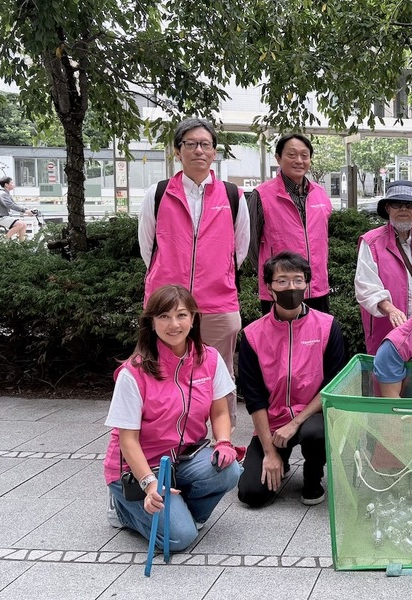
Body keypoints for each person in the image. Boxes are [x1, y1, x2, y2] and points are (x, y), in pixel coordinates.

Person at [103, 285, 241, 552]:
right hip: (139, 468)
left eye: (181, 315)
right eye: (164, 316)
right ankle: (123, 508)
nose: (174, 324)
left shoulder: (209, 358)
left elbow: (220, 411)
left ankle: (180, 511)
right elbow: (127, 440)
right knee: (179, 538)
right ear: (151, 323)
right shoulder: (134, 372)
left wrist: (223, 441)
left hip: (185, 458)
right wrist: (149, 483)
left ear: (193, 319)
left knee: (229, 469)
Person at [139, 117, 250, 425]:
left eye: (205, 144)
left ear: (214, 152)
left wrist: (219, 275)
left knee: (220, 373)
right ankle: (168, 437)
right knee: (162, 370)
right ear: (178, 151)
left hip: (218, 302)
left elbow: (239, 250)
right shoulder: (158, 194)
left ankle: (223, 443)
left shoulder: (232, 196)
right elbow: (148, 248)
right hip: (167, 304)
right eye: (190, 144)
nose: (198, 150)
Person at [237, 252, 347, 507]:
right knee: (251, 495)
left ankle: (313, 475)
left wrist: (295, 422)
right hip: (273, 422)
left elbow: (332, 383)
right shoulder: (253, 335)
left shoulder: (328, 327)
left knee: (316, 432)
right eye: (282, 281)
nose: (291, 287)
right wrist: (268, 452)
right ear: (269, 287)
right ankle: (280, 459)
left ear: (307, 284)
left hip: (311, 416)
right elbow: (254, 398)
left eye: (298, 280)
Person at [356, 181, 412, 354]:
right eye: (397, 204)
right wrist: (391, 310)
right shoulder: (371, 242)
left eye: (410, 205)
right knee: (388, 377)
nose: (403, 209)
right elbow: (366, 288)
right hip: (388, 330)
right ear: (388, 208)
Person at [247, 133, 333, 314]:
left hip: (317, 287)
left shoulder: (320, 194)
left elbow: (323, 239)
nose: (299, 160)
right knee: (279, 340)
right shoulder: (262, 195)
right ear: (278, 158)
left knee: (318, 339)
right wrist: (271, 277)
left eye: (304, 155)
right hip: (280, 289)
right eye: (292, 155)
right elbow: (251, 245)